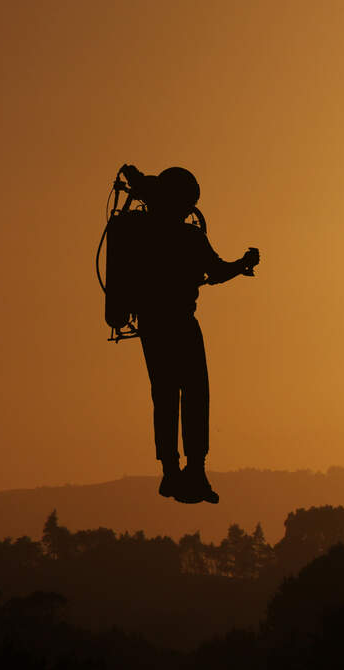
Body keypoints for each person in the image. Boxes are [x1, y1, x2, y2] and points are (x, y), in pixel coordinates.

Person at [121, 165, 259, 504]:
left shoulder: (141, 231)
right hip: (181, 323)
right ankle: (195, 469)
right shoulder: (187, 237)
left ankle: (170, 471)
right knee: (195, 394)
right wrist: (243, 263)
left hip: (151, 325)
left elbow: (147, 189)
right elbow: (216, 272)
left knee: (164, 396)